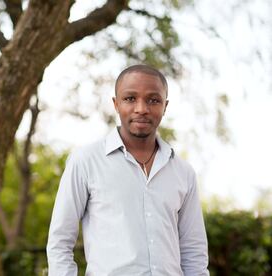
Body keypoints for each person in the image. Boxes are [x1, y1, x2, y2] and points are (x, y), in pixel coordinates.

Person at [46, 64, 209, 276]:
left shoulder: (183, 172)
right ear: (116, 104)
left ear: (165, 106)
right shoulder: (85, 161)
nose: (141, 108)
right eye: (130, 98)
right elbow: (60, 242)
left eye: (153, 100)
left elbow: (193, 251)